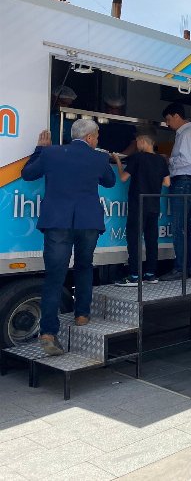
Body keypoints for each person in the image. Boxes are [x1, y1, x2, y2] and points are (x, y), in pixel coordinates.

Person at [21, 121, 116, 355]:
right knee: (84, 266)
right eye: (96, 137)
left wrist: (40, 149)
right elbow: (110, 181)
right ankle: (82, 315)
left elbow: (28, 174)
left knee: (54, 276)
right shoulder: (98, 158)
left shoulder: (51, 153)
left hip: (58, 223)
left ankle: (48, 333)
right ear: (91, 137)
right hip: (88, 223)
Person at [113, 129, 170, 286]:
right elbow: (167, 183)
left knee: (134, 239)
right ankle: (151, 274)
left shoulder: (137, 158)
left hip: (138, 204)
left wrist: (118, 161)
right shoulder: (161, 160)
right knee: (152, 239)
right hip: (154, 205)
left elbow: (124, 178)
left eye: (137, 142)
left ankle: (134, 275)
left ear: (144, 142)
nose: (136, 145)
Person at [160, 103, 191, 281]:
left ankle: (181, 268)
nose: (168, 124)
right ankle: (187, 267)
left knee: (179, 227)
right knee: (183, 228)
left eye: (169, 119)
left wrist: (169, 160)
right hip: (185, 182)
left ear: (177, 116)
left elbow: (186, 160)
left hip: (184, 181)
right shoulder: (184, 134)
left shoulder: (188, 134)